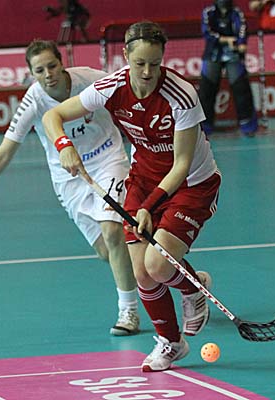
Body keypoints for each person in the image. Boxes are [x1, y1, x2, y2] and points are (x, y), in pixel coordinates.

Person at [43, 21, 220, 372]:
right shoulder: (112, 87)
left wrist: (148, 208)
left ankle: (192, 288)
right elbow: (54, 115)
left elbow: (181, 164)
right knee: (142, 271)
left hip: (190, 184)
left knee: (158, 264)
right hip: (143, 180)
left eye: (155, 63)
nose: (147, 72)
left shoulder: (181, 95)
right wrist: (63, 145)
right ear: (125, 55)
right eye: (140, 63)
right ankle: (172, 342)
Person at [0, 40, 141, 336]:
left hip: (108, 160)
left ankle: (128, 312)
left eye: (52, 66)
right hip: (69, 177)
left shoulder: (90, 79)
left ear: (62, 63)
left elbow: (132, 93)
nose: (48, 75)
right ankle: (175, 276)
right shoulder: (33, 100)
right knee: (109, 252)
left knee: (112, 230)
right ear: (31, 73)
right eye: (39, 70)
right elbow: (3, 153)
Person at [199, 0, 258, 136]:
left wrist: (242, 43)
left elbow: (242, 29)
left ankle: (247, 126)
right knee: (206, 90)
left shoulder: (237, 13)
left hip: (233, 54)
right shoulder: (208, 13)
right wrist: (226, 39)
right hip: (213, 54)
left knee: (241, 88)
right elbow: (207, 32)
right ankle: (204, 126)